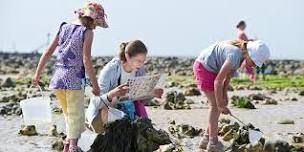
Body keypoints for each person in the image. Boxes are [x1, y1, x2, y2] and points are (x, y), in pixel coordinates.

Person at [32, 2, 108, 152]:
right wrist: (95, 85)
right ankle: (73, 146)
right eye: (96, 24)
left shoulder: (63, 27)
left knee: (69, 115)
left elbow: (47, 52)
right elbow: (86, 60)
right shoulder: (87, 33)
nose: (95, 27)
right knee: (76, 115)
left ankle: (68, 144)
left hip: (58, 79)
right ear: (91, 19)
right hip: (74, 80)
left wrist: (37, 75)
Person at [193, 40, 270, 152]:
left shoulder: (239, 58)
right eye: (254, 62)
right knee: (214, 106)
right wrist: (220, 105)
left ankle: (206, 139)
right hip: (204, 67)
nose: (253, 66)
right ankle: (213, 142)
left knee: (218, 103)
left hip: (212, 69)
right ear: (249, 53)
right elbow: (218, 82)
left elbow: (226, 78)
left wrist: (224, 96)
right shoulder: (234, 55)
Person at [85, 40, 163, 134]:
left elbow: (140, 100)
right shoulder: (111, 70)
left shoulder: (139, 70)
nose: (141, 64)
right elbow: (96, 103)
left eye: (143, 61)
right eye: (138, 61)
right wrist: (112, 94)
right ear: (127, 56)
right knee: (104, 111)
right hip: (107, 112)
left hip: (126, 111)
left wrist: (152, 93)